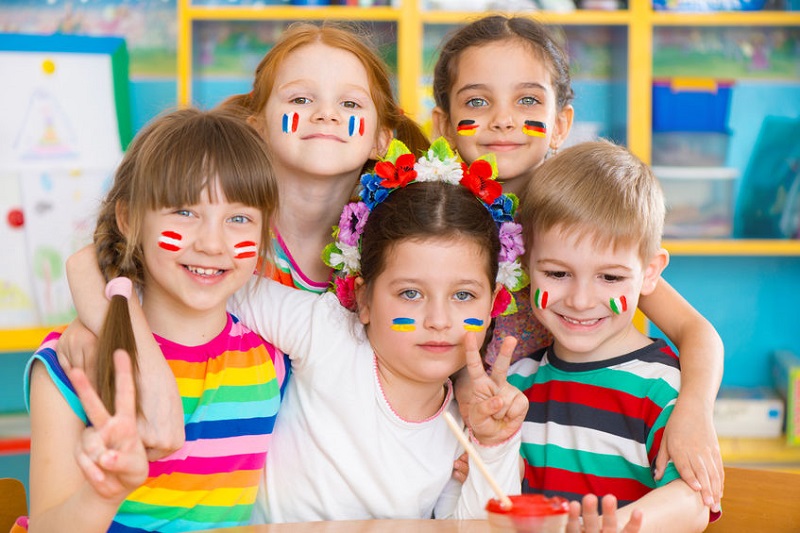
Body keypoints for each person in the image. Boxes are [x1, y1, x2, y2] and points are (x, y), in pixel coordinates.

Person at [57, 21, 431, 458]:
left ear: (381, 138)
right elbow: (93, 262)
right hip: (221, 482)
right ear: (256, 127)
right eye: (301, 99)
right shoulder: (220, 242)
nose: (326, 113)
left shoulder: (387, 245)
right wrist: (118, 340)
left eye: (349, 102)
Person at [430, 14, 724, 510]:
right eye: (478, 101)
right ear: (442, 124)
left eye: (527, 100)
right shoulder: (439, 220)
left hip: (574, 420)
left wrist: (693, 412)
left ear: (561, 123)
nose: (503, 118)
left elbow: (697, 333)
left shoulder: (583, 223)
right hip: (481, 438)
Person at [25, 108, 284, 532]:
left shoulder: (270, 361)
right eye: (184, 212)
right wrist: (103, 493)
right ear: (128, 220)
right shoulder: (70, 365)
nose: (212, 243)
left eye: (239, 219)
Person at [509, 140, 712, 531]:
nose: (582, 300)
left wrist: (612, 527)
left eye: (610, 277)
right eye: (557, 273)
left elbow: (694, 501)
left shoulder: (663, 388)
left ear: (650, 272)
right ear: (524, 263)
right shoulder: (517, 382)